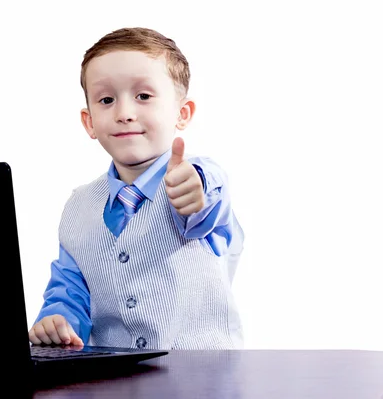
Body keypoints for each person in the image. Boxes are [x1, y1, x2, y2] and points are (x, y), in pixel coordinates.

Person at [28, 27, 244, 350]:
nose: (124, 114)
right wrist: (58, 322)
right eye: (106, 100)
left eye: (143, 96)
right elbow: (70, 292)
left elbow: (209, 199)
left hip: (204, 381)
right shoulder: (77, 208)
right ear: (89, 121)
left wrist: (197, 189)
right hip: (115, 384)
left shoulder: (197, 179)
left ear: (181, 114)